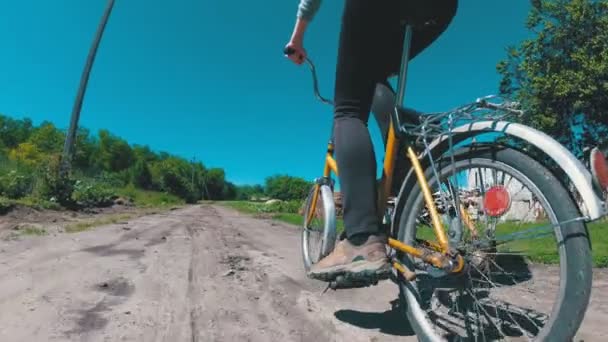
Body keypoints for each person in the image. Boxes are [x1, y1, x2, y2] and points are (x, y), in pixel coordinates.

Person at [284, 0, 458, 283]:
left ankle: (361, 237)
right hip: (442, 8)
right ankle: (409, 149)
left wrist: (297, 37)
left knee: (349, 109)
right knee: (372, 74)